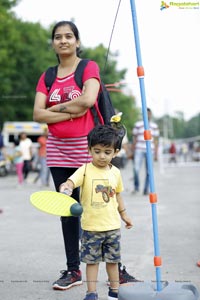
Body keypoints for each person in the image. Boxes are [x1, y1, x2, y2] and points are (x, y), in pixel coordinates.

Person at [33, 20, 136, 290]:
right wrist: (71, 109)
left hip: (85, 149)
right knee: (68, 210)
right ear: (53, 43)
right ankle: (72, 270)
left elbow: (88, 100)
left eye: (69, 36)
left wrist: (56, 109)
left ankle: (118, 269)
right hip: (57, 150)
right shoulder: (47, 75)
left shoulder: (87, 67)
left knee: (98, 206)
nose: (63, 41)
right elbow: (37, 114)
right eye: (58, 37)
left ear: (77, 41)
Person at [59, 125, 133, 300]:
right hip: (91, 228)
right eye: (97, 151)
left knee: (113, 262)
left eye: (107, 152)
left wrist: (124, 215)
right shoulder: (84, 170)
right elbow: (70, 182)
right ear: (89, 149)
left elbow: (118, 196)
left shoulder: (115, 172)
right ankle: (91, 293)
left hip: (112, 227)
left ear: (115, 152)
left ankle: (114, 292)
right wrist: (66, 187)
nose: (102, 156)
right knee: (91, 263)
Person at [132, 108, 159, 195]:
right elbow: (134, 138)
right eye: (145, 114)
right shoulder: (138, 125)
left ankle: (145, 189)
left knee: (149, 171)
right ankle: (136, 187)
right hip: (139, 149)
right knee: (136, 169)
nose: (147, 116)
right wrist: (132, 151)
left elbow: (155, 141)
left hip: (150, 150)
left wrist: (156, 153)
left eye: (149, 114)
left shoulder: (154, 126)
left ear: (151, 115)